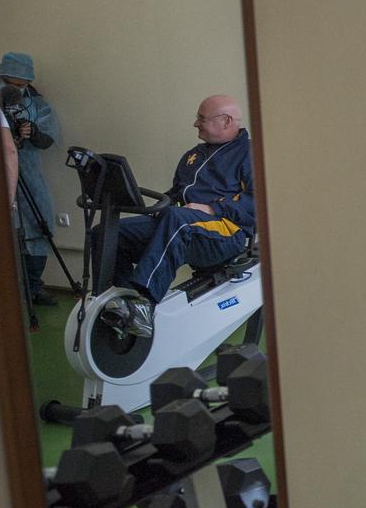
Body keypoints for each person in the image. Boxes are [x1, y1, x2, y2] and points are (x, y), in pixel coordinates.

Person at [101, 95, 256, 337]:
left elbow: (262, 202)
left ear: (226, 121)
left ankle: (144, 304)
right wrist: (153, 206)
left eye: (201, 118)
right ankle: (121, 300)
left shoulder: (251, 154)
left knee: (176, 218)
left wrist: (214, 208)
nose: (196, 124)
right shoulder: (192, 156)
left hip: (227, 233)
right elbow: (175, 195)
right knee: (108, 232)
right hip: (182, 225)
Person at [0, 51, 62, 306]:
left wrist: (32, 132)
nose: (16, 90)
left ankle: (34, 287)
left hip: (29, 173)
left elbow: (48, 137)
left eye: (22, 85)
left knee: (40, 222)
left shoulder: (36, 103)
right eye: (11, 85)